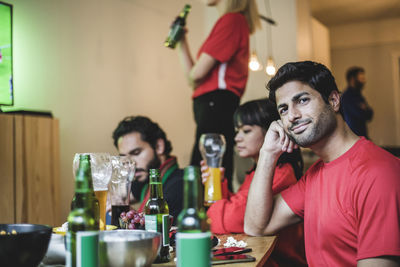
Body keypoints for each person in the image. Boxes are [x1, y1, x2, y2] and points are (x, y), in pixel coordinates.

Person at [244, 61, 400, 267]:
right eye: (283, 109)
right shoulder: (315, 174)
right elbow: (256, 227)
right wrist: (267, 152)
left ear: (334, 100)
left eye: (302, 100)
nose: (292, 116)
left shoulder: (378, 174)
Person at [202, 99, 307, 267]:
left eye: (246, 131)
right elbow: (236, 205)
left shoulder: (279, 175)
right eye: (237, 131)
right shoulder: (255, 173)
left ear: (271, 133)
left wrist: (213, 209)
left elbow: (227, 219)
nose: (237, 138)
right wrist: (218, 183)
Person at [176, 0, 261, 191]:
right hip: (214, 104)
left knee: (207, 171)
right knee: (210, 170)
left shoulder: (232, 20)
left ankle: (211, 218)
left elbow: (195, 75)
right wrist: (181, 40)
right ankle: (214, 217)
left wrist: (194, 77)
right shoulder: (231, 21)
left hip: (217, 103)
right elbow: (193, 77)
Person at [112, 116, 184, 224]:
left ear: (159, 146)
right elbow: (118, 196)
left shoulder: (180, 185)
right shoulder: (144, 181)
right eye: (124, 158)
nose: (131, 163)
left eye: (136, 153)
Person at [341, 66, 373, 138]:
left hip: (361, 136)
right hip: (353, 137)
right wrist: (365, 110)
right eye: (361, 78)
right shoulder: (347, 96)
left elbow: (370, 115)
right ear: (352, 79)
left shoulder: (359, 95)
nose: (364, 81)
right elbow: (361, 114)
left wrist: (365, 110)